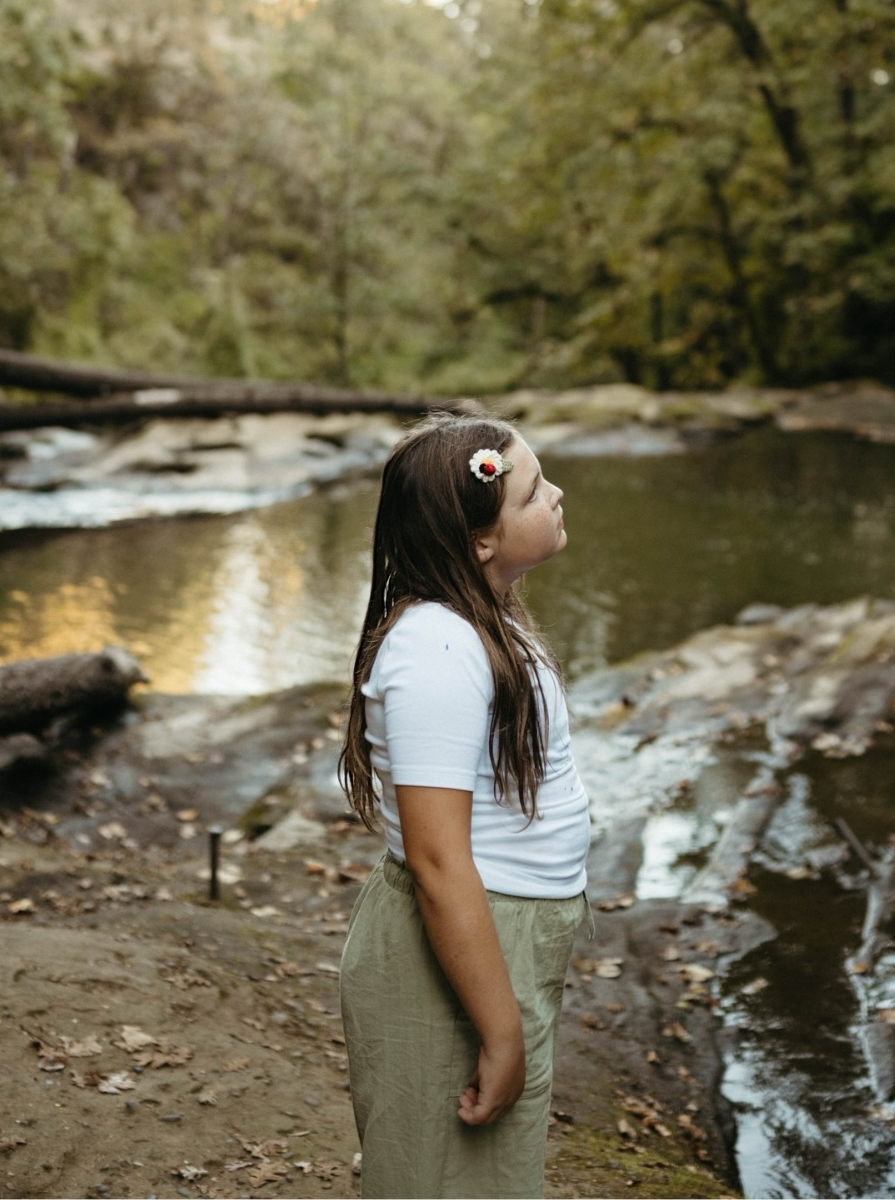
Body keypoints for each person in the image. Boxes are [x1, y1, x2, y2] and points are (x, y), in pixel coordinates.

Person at [338, 411, 591, 1200]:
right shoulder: (437, 647)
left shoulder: (484, 619)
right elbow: (440, 857)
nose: (556, 495)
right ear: (479, 538)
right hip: (459, 954)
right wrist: (501, 1027)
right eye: (530, 491)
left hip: (500, 941)